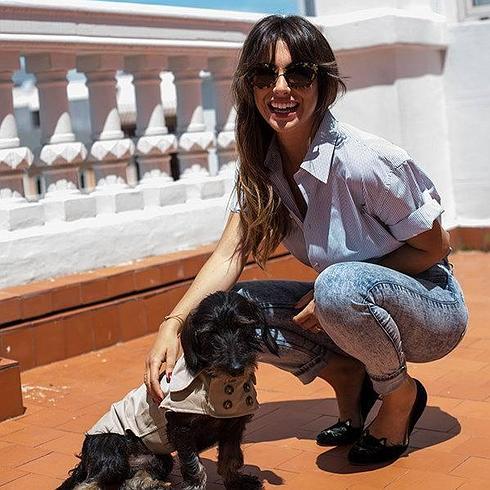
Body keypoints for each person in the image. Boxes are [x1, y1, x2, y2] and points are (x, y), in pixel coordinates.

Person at [144, 15, 468, 465]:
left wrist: (344, 287)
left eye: (298, 73)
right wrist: (174, 324)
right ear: (249, 86)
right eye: (265, 74)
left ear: (323, 83)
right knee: (226, 312)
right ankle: (350, 382)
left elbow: (435, 248)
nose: (280, 87)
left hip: (431, 309)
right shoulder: (264, 166)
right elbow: (229, 254)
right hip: (353, 305)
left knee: (336, 286)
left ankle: (398, 396)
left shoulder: (363, 162)